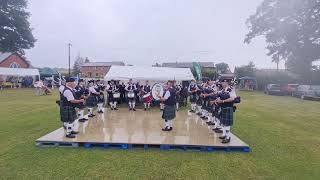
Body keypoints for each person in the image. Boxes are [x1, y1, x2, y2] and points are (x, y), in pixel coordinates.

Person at [213, 79, 237, 143]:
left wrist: (223, 101)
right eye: (222, 82)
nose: (222, 83)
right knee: (223, 122)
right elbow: (218, 95)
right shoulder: (222, 90)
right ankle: (224, 135)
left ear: (226, 82)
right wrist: (217, 99)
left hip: (228, 107)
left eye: (223, 82)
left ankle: (228, 137)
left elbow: (233, 98)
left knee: (227, 124)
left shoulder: (230, 89)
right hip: (223, 107)